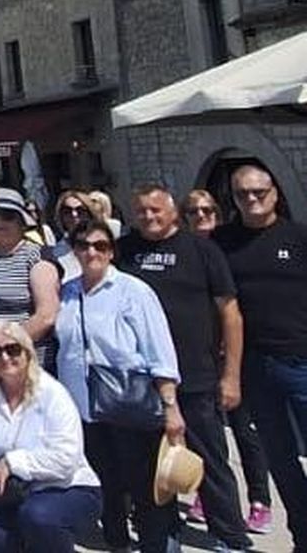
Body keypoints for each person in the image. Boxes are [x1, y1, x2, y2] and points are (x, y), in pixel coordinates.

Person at [116, 184, 251, 551]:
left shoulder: (202, 250)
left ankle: (230, 537)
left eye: (156, 210)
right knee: (149, 467)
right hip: (140, 380)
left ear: (173, 212)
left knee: (211, 463)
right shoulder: (125, 251)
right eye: (142, 211)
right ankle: (162, 539)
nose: (149, 217)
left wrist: (231, 375)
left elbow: (230, 313)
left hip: (196, 376)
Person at [54, 219, 183, 553]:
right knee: (106, 488)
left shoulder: (133, 291)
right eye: (83, 245)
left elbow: (160, 351)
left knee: (145, 489)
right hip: (84, 409)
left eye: (100, 245)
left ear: (111, 251)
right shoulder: (66, 293)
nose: (91, 252)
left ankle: (159, 545)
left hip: (130, 404)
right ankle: (117, 544)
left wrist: (171, 407)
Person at [215, 162, 307, 549]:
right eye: (242, 194)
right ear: (233, 198)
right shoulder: (222, 242)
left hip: (301, 362)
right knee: (281, 461)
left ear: (275, 194)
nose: (251, 200)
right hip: (254, 367)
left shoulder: (299, 236)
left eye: (259, 192)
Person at [0, 321, 101, 552]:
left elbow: (66, 460)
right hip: (11, 493)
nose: (5, 357)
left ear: (27, 352)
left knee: (37, 516)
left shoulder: (53, 393)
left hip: (67, 487)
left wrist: (12, 462)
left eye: (12, 349)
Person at [184, 187, 273, 534]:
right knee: (206, 435)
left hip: (235, 354)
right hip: (200, 356)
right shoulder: (187, 252)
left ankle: (259, 499)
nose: (202, 217)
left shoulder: (228, 249)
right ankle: (207, 496)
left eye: (208, 211)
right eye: (194, 212)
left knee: (244, 429)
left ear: (218, 214)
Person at [0, 188, 59, 375]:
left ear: (21, 221)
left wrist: (3, 348)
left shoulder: (37, 256)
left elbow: (46, 316)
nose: (0, 222)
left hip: (25, 362)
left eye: (7, 216)